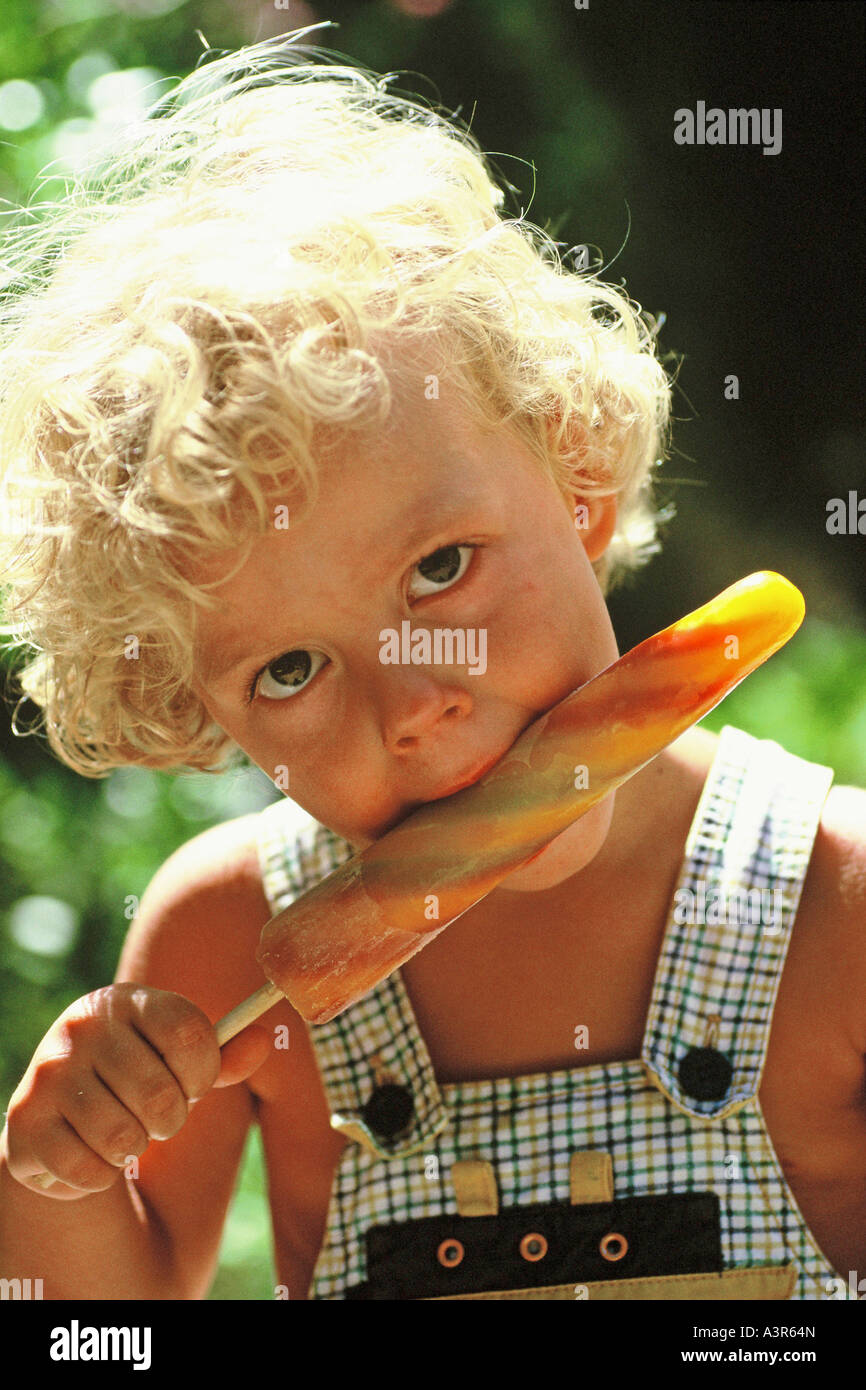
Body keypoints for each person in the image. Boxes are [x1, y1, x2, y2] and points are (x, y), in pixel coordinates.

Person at [1, 32, 864, 1302]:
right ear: (192, 704)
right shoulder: (222, 948)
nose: (414, 705)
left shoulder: (831, 909)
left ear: (575, 480)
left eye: (442, 568)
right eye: (289, 668)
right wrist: (52, 1177)